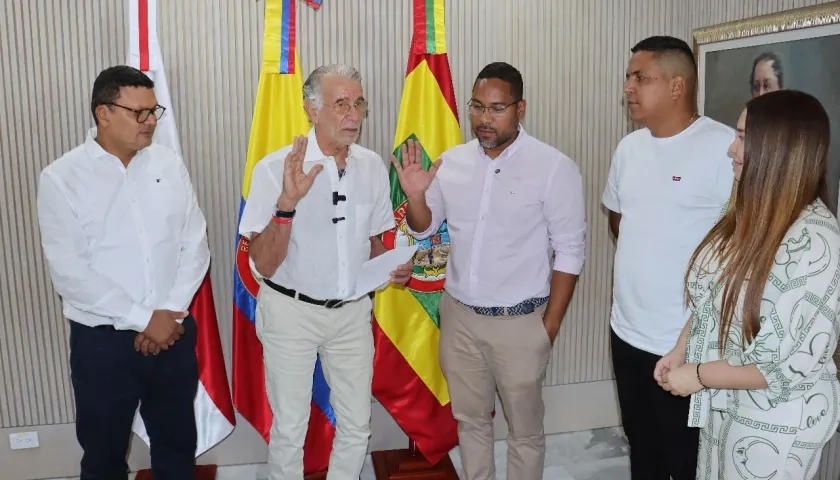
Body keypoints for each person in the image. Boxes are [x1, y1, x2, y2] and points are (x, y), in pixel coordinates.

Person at [393, 61, 586, 480]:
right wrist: (416, 195)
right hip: (460, 316)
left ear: (521, 108)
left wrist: (547, 327)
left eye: (497, 108)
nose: (484, 118)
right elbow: (423, 227)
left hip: (521, 323)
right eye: (477, 107)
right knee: (471, 421)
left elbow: (570, 252)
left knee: (525, 431)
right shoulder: (452, 163)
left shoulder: (553, 168)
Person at [237, 64, 412, 480]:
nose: (353, 114)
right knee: (290, 429)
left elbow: (373, 241)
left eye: (358, 103)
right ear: (311, 110)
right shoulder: (274, 169)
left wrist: (392, 267)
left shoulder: (371, 167)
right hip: (291, 313)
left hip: (351, 313)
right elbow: (261, 264)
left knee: (356, 425)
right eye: (340, 104)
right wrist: (286, 206)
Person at [656, 89, 840, 479]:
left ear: (777, 149)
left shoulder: (816, 241)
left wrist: (700, 374)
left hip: (776, 425)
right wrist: (682, 349)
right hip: (727, 405)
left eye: (742, 137)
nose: (731, 148)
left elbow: (778, 366)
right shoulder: (750, 211)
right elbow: (713, 297)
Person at [36, 65, 209, 479]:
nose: (150, 122)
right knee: (104, 458)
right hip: (103, 347)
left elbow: (195, 243)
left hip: (174, 333)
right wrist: (145, 319)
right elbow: (72, 275)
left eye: (154, 111)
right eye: (140, 113)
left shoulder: (168, 164)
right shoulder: (62, 178)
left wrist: (166, 313)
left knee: (177, 448)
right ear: (103, 113)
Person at [601, 36, 736, 479]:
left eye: (641, 77)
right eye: (628, 77)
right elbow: (619, 221)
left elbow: (738, 247)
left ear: (677, 86)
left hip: (685, 343)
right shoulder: (629, 149)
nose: (629, 87)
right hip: (626, 332)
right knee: (642, 451)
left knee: (686, 459)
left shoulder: (724, 149)